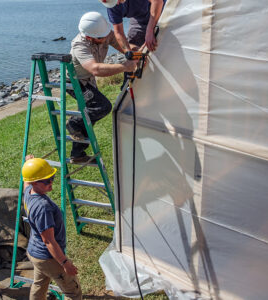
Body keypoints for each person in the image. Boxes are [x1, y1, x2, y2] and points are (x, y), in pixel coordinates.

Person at [66, 11, 137, 164]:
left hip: (87, 80)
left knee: (91, 116)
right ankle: (74, 123)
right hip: (75, 82)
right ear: (90, 37)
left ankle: (77, 154)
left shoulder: (103, 33)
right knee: (101, 107)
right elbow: (95, 69)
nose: (106, 38)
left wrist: (135, 53)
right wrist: (124, 66)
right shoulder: (79, 45)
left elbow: (121, 46)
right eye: (102, 38)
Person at [22, 155, 82, 300]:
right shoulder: (43, 208)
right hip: (49, 258)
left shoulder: (29, 192)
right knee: (73, 291)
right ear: (35, 183)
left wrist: (29, 163)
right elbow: (49, 241)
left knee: (39, 285)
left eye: (52, 178)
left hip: (35, 253)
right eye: (46, 181)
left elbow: (26, 180)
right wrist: (65, 263)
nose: (51, 183)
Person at [100, 0, 165, 52]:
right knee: (133, 42)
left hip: (160, 9)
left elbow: (157, 2)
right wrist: (128, 52)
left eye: (116, 1)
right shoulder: (112, 7)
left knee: (161, 39)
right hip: (139, 18)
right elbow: (118, 32)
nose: (117, 4)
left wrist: (150, 30)